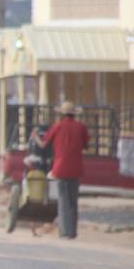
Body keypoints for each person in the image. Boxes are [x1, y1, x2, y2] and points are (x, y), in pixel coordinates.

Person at [30, 101, 90, 239]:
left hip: (60, 168)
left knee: (63, 201)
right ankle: (73, 232)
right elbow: (86, 146)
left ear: (61, 114)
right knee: (73, 201)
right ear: (74, 114)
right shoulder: (81, 127)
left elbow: (43, 144)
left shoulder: (57, 127)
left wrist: (35, 136)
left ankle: (65, 232)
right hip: (76, 169)